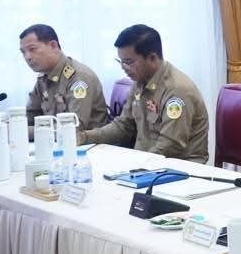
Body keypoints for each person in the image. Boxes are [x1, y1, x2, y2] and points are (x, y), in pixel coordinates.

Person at [78, 24, 208, 162]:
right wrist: (84, 137)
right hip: (149, 163)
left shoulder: (177, 90)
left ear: (152, 58)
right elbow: (123, 126)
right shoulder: (139, 82)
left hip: (179, 167)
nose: (123, 68)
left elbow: (170, 146)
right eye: (120, 62)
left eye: (128, 62)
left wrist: (134, 165)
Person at [19, 24, 108, 132]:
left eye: (32, 49)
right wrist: (14, 125)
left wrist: (23, 131)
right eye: (23, 52)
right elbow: (30, 115)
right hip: (56, 139)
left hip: (87, 141)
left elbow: (73, 128)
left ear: (53, 45)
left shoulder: (79, 77)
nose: (27, 57)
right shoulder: (43, 77)